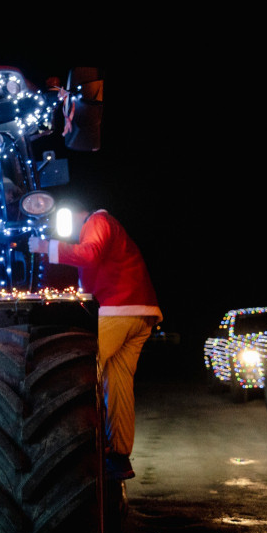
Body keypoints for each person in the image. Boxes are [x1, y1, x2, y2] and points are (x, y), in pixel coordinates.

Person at [28, 203, 162, 480]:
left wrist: (46, 246)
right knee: (117, 382)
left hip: (119, 309)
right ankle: (120, 457)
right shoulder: (107, 226)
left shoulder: (97, 221)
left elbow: (89, 255)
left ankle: (70, 450)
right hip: (141, 313)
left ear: (77, 213)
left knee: (78, 374)